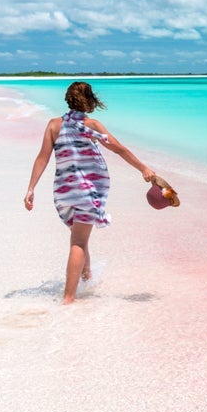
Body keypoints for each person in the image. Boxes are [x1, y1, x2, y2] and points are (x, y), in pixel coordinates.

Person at [24, 81, 156, 303]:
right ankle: (69, 298)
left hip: (64, 191)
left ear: (68, 99)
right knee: (78, 241)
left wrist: (31, 188)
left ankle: (87, 278)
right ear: (90, 100)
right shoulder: (92, 125)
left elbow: (42, 157)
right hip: (88, 191)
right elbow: (119, 149)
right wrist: (143, 168)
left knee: (80, 238)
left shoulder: (53, 125)